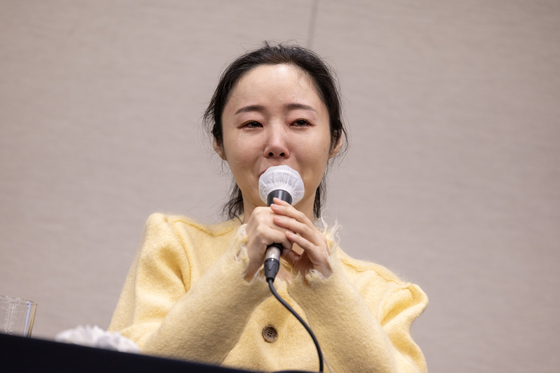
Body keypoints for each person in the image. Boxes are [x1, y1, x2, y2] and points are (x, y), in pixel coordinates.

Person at [108, 43, 428, 373]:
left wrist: (329, 291)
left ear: (334, 140)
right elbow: (130, 365)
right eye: (252, 124)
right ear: (219, 143)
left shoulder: (384, 296)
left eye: (300, 122)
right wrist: (241, 270)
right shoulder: (174, 247)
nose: (276, 144)